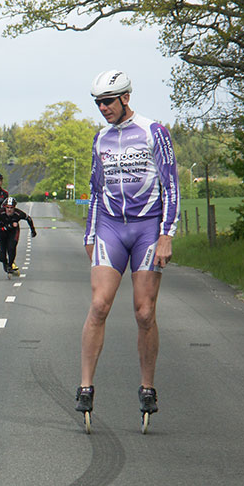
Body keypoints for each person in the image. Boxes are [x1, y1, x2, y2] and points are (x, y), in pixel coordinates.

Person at [76, 70, 180, 427]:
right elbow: (94, 188)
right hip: (109, 227)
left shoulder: (154, 132)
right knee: (99, 304)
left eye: (107, 101)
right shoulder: (100, 138)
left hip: (147, 228)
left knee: (144, 313)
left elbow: (171, 186)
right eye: (97, 103)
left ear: (125, 98)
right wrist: (90, 234)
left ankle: (147, 386)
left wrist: (166, 233)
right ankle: (86, 385)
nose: (102, 108)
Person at [0, 197, 36, 276]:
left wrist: (33, 230)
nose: (9, 210)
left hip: (13, 232)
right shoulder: (0, 213)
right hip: (1, 233)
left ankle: (10, 265)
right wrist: (5, 228)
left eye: (11, 208)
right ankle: (5, 263)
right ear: (5, 207)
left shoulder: (18, 213)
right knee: (1, 256)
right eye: (7, 208)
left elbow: (29, 218)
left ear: (14, 208)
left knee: (11, 248)